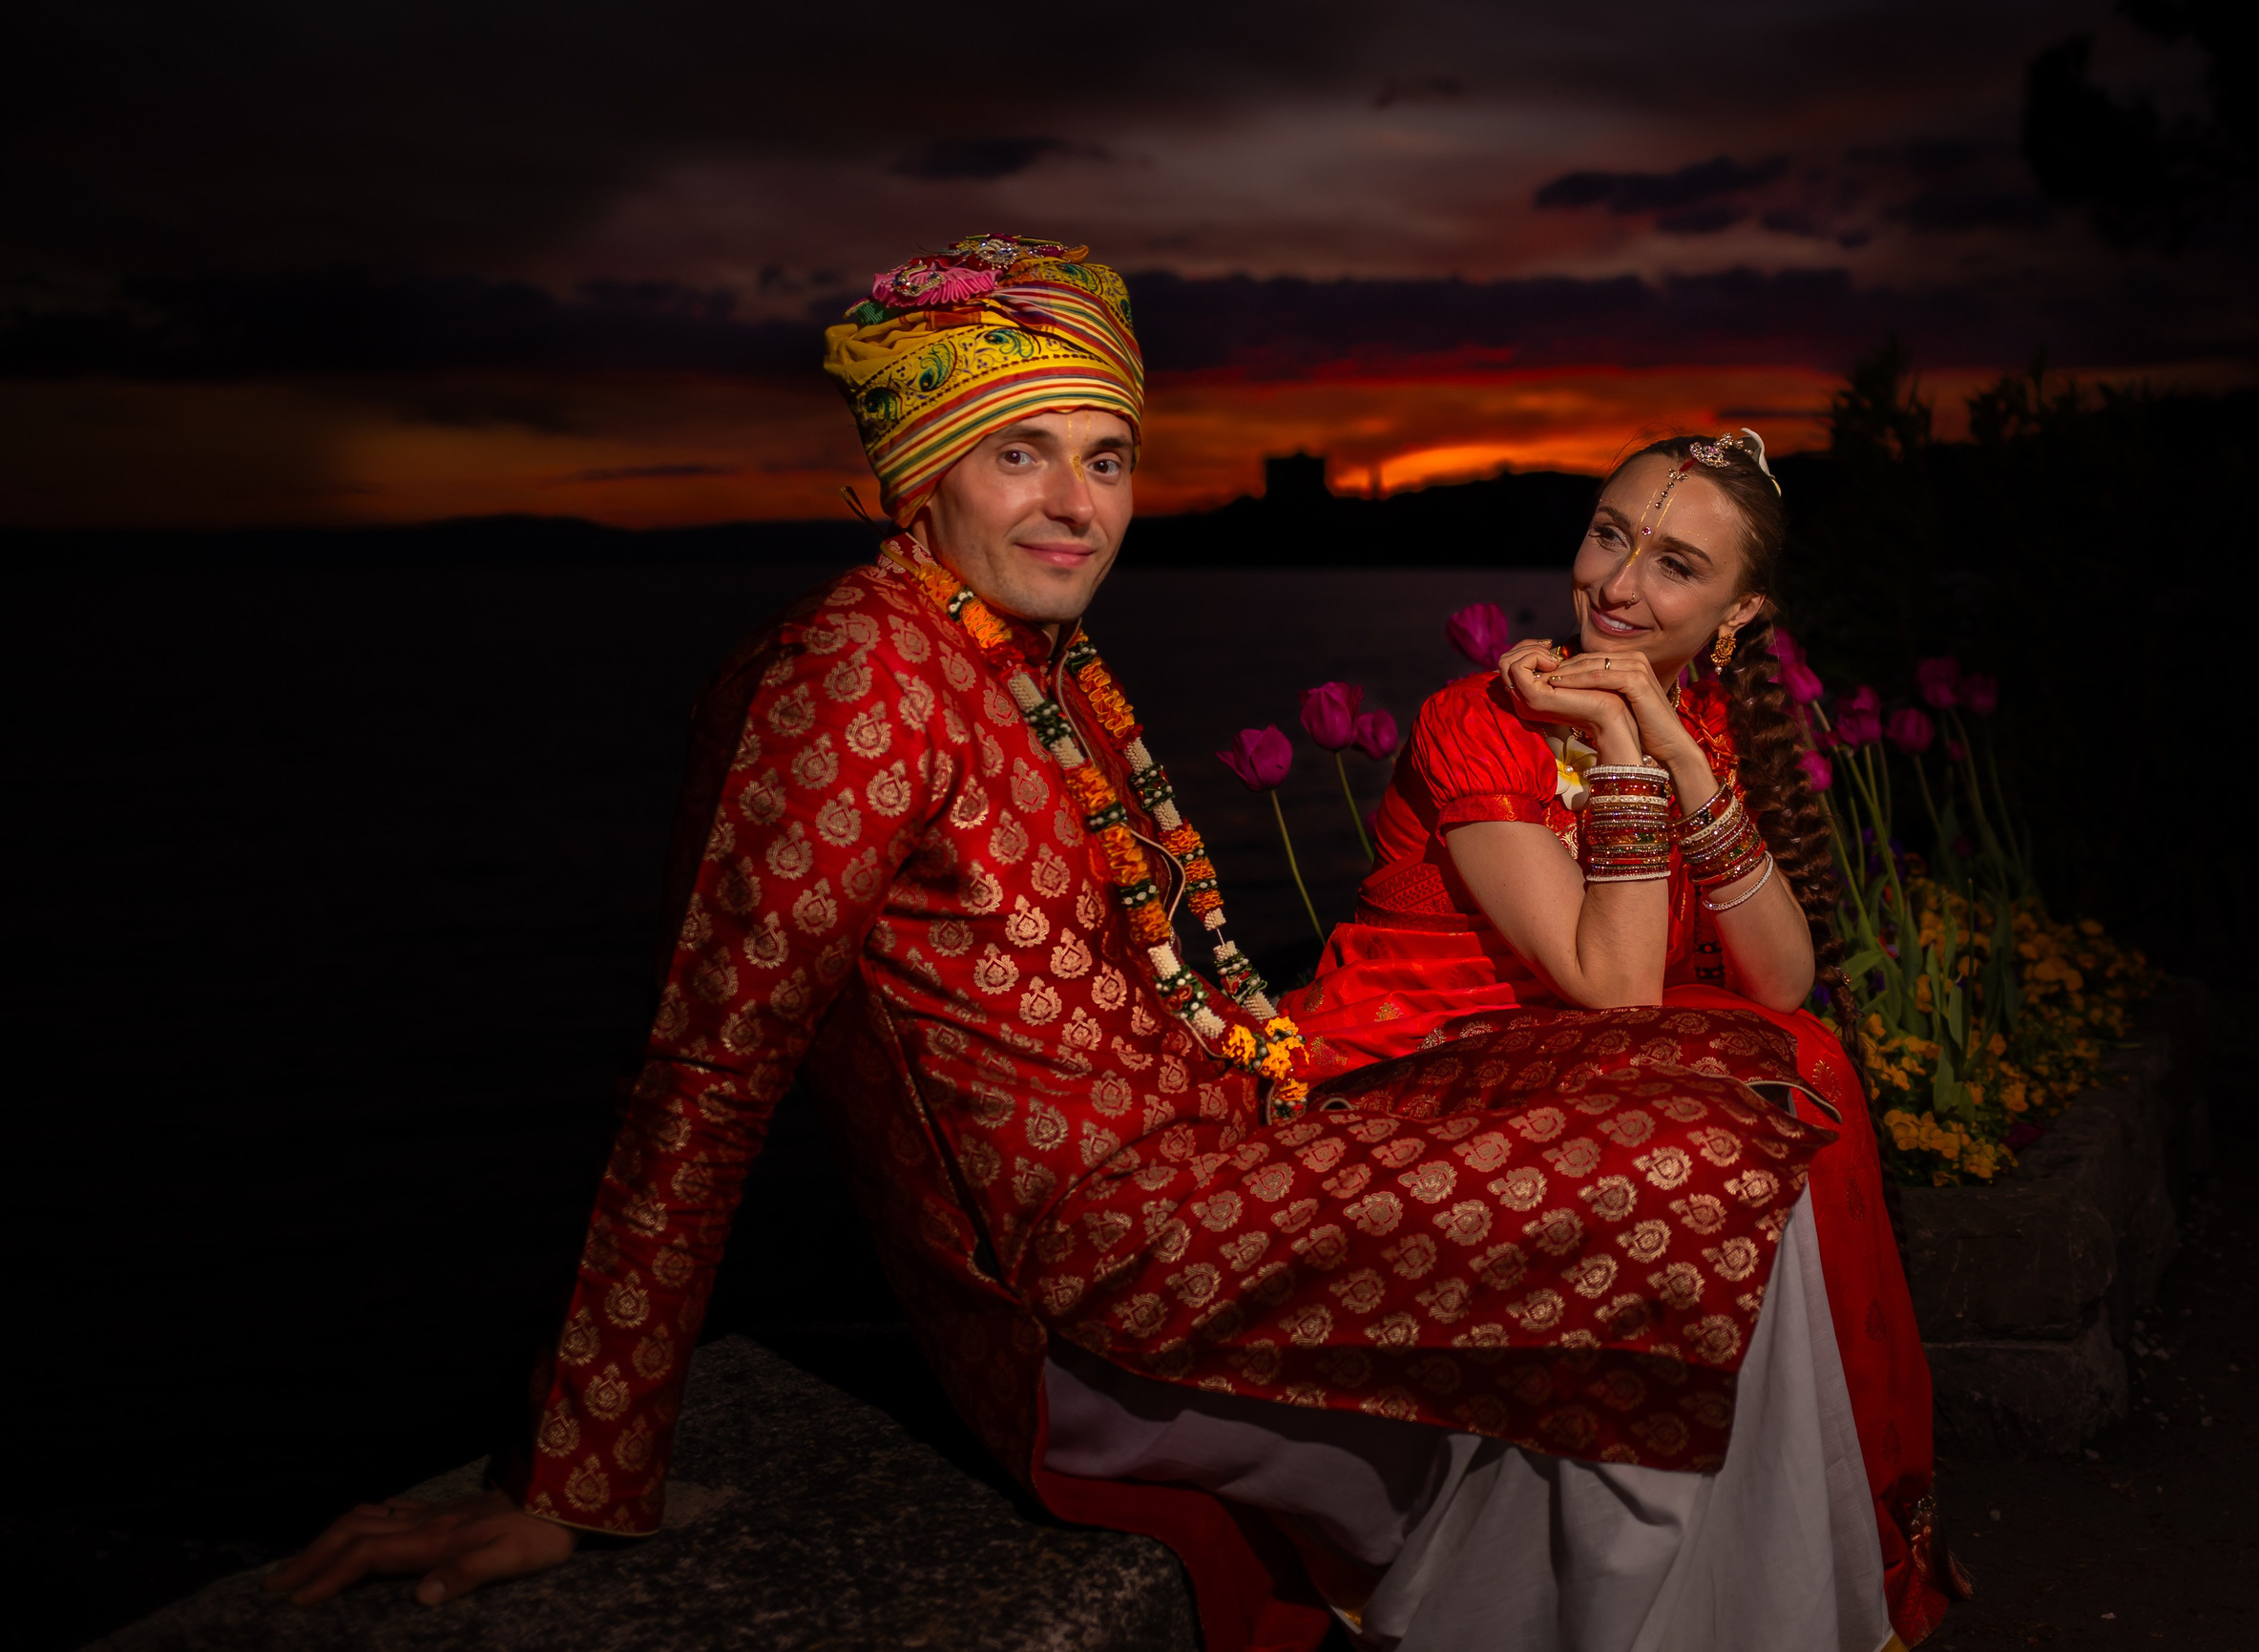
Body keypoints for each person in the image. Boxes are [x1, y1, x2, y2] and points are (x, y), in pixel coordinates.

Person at [265, 236, 1946, 1651]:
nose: (1077, 504)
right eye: (1021, 453)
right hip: (1091, 1259)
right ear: (912, 473)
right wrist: (578, 1462)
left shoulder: (1027, 662)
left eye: (1109, 455)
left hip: (1211, 1159)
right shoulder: (856, 674)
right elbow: (708, 1061)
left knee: (1735, 1093)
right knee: (1682, 1163)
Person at [1288, 430, 1962, 1641]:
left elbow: (1786, 975)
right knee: (1720, 1140)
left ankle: (1750, 1599)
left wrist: (1684, 754)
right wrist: (1613, 747)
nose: (1615, 585)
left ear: (1739, 609)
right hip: (1422, 1059)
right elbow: (1611, 984)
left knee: (1790, 1078)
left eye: (1674, 566)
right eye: (1609, 534)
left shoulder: (1695, 711)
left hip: (1590, 1058)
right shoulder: (1477, 719)